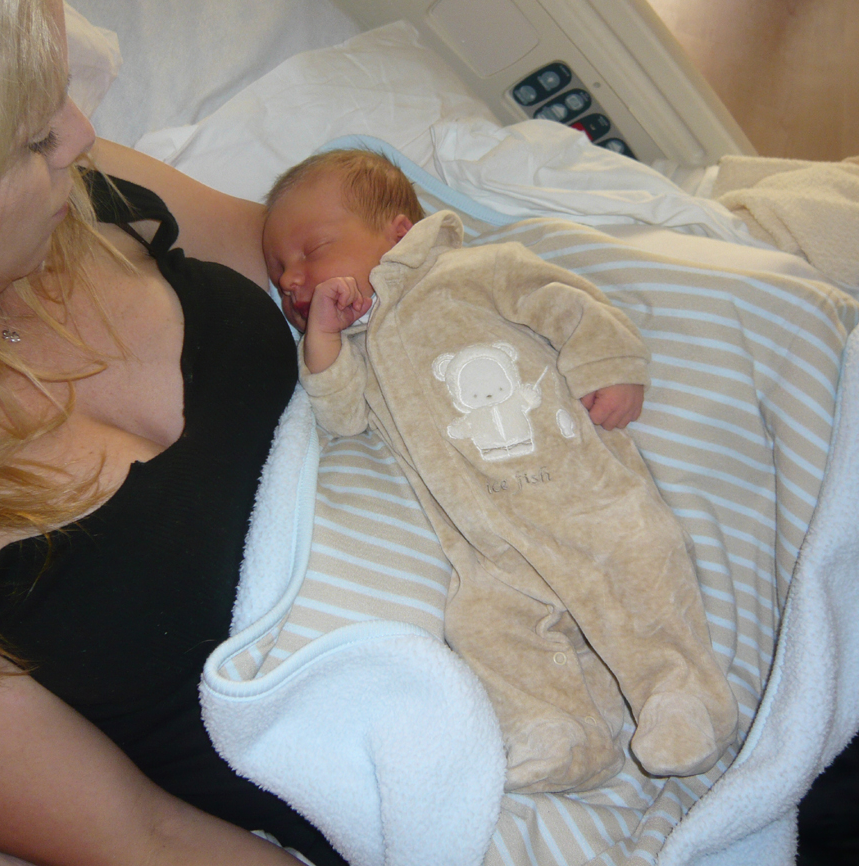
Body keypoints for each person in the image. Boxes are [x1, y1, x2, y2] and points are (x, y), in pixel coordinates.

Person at [0, 0, 346, 864]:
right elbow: (149, 837)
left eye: (56, 87)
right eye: (27, 136)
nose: (80, 133)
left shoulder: (93, 194)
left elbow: (366, 275)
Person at [262, 149, 739, 793]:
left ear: (399, 234)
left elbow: (567, 303)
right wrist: (321, 337)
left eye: (312, 250)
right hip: (484, 546)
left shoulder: (475, 272)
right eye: (279, 273)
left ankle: (682, 694)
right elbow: (341, 417)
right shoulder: (355, 350)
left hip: (578, 493)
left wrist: (610, 364)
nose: (292, 278)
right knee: (484, 628)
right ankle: (560, 732)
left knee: (636, 567)